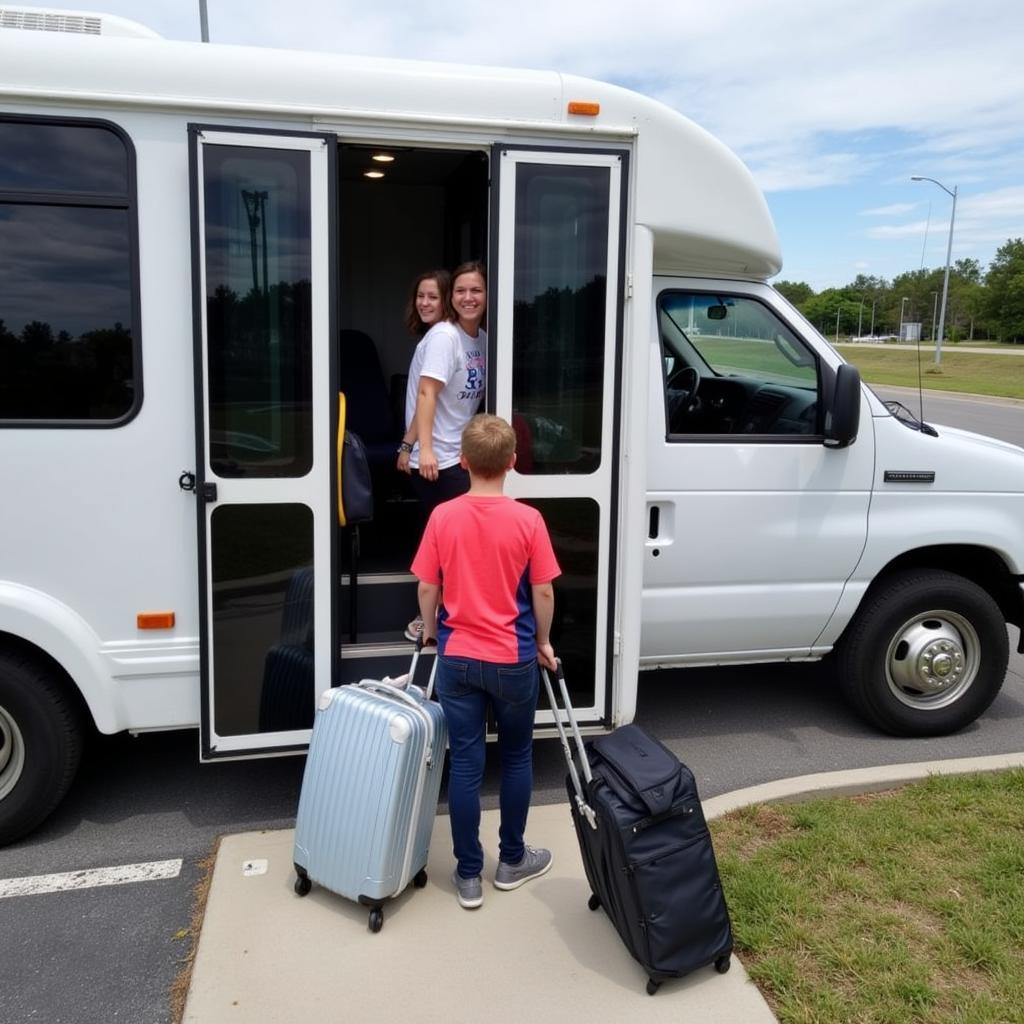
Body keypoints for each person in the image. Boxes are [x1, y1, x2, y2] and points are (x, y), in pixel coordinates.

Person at [411, 414, 560, 910]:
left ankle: (469, 874)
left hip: (458, 659)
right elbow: (542, 589)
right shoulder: (528, 520)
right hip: (514, 659)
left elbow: (428, 585)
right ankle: (512, 860)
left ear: (464, 461)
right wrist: (543, 642)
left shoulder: (443, 517)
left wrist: (431, 629)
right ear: (512, 463)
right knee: (517, 758)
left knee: (467, 766)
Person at [399, 261, 488, 641]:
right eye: (461, 291)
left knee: (455, 541)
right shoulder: (444, 338)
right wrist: (424, 450)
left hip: (459, 456)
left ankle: (441, 616)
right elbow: (426, 394)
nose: (468, 298)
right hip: (439, 461)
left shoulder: (480, 339)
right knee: (450, 543)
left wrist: (407, 443)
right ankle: (425, 621)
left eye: (476, 291)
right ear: (453, 298)